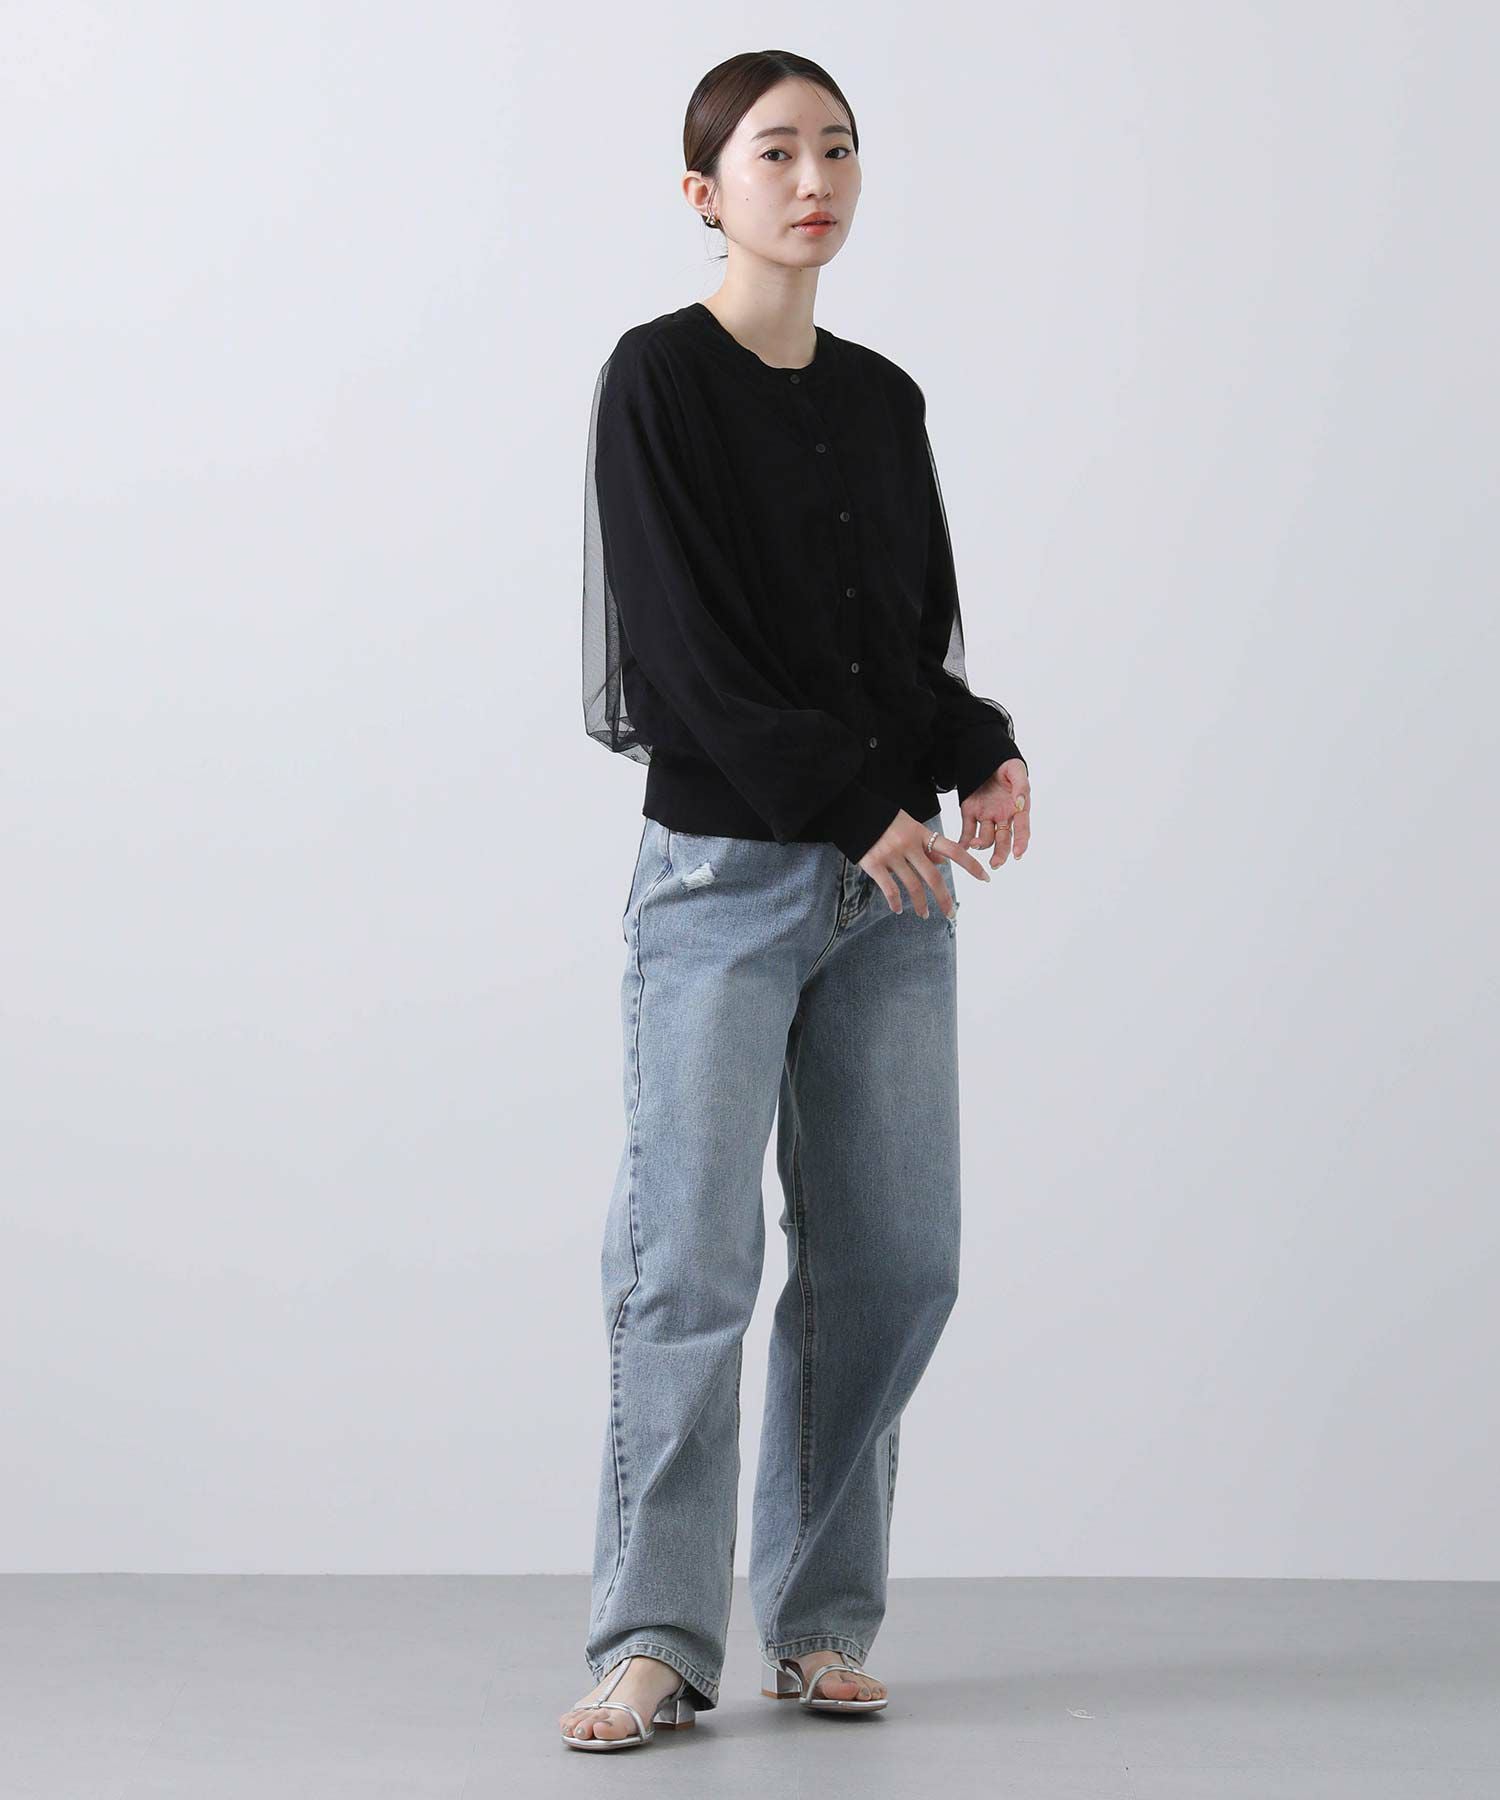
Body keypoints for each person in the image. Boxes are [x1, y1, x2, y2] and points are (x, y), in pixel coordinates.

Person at [562, 49, 1032, 1752]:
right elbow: (681, 657)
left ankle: (822, 1625)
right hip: (723, 882)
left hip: (891, 888)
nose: (814, 177)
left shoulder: (883, 398)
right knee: (685, 1264)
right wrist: (851, 804)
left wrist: (982, 750)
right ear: (706, 192)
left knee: (896, 1262)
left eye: (838, 146)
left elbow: (905, 645)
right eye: (775, 152)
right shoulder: (658, 381)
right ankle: (653, 1640)